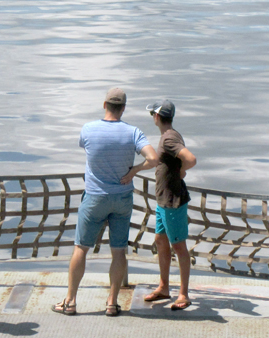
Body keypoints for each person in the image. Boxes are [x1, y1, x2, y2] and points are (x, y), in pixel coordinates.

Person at [55, 87, 158, 316]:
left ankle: (70, 302)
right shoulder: (133, 132)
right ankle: (112, 303)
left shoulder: (88, 129)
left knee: (81, 248)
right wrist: (134, 171)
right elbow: (153, 159)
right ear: (123, 108)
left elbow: (86, 148)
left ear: (104, 105)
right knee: (118, 251)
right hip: (122, 198)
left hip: (95, 197)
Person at [141, 100, 197, 311]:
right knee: (160, 240)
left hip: (172, 202)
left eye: (152, 115)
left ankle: (184, 294)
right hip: (163, 201)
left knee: (179, 247)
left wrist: (182, 171)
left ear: (157, 117)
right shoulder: (169, 135)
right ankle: (164, 287)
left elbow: (191, 159)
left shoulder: (169, 138)